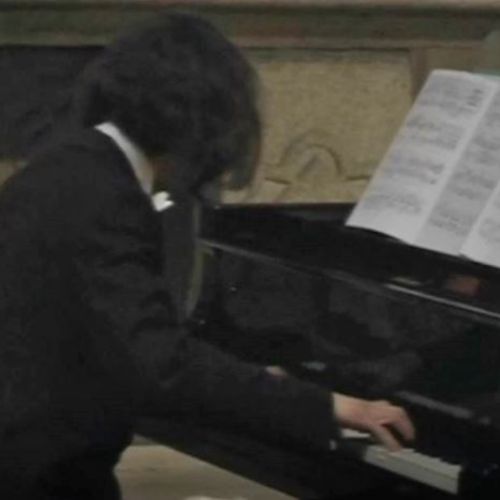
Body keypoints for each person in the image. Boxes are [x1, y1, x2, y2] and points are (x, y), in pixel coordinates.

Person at [0, 12, 414, 499]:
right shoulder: (104, 198)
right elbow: (161, 367)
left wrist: (255, 384)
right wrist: (324, 406)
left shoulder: (67, 167)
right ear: (202, 123)